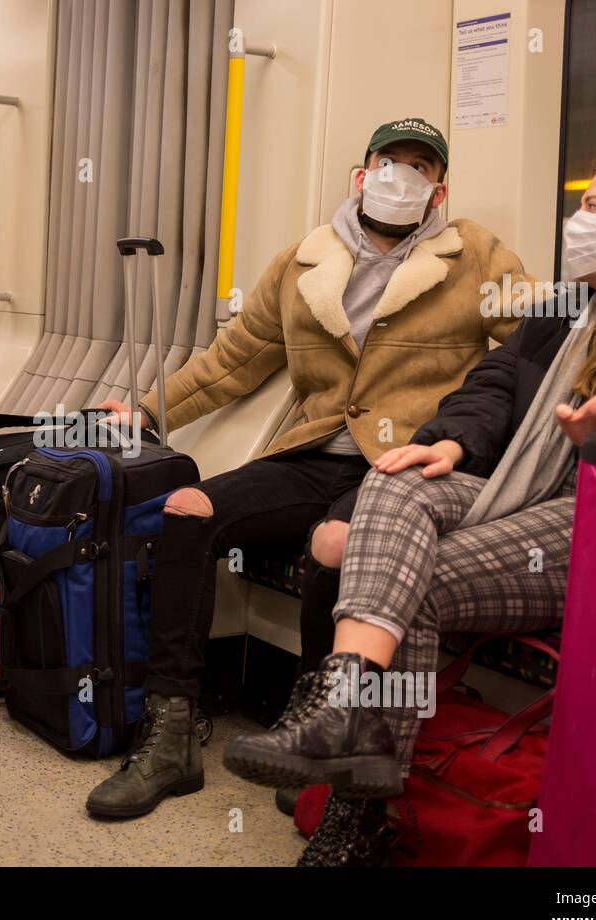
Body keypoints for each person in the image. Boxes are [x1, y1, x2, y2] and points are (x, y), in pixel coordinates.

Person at [223, 149, 596, 866]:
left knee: (413, 580)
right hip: (517, 490)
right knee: (396, 483)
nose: (577, 220)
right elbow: (491, 383)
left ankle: (359, 804)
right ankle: (345, 709)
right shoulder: (566, 304)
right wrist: (452, 446)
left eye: (594, 207)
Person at [84, 118, 534, 819]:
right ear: (362, 174)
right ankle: (170, 733)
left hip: (404, 464)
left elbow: (529, 354)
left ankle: (313, 724)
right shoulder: (303, 261)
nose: (402, 176)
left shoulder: (473, 254)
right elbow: (232, 361)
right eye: (390, 161)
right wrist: (145, 409)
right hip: (312, 452)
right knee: (187, 511)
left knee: (337, 543)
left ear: (438, 188)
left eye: (420, 166)